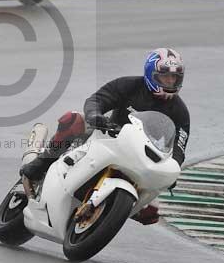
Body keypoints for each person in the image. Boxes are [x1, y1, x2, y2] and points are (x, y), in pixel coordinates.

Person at [20, 48, 190, 225]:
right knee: (74, 120)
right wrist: (95, 115)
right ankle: (41, 163)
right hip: (106, 136)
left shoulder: (180, 112)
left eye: (175, 77)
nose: (170, 81)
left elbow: (179, 148)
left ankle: (112, 209)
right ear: (150, 74)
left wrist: (172, 171)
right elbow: (97, 99)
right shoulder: (129, 85)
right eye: (165, 76)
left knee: (151, 213)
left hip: (141, 157)